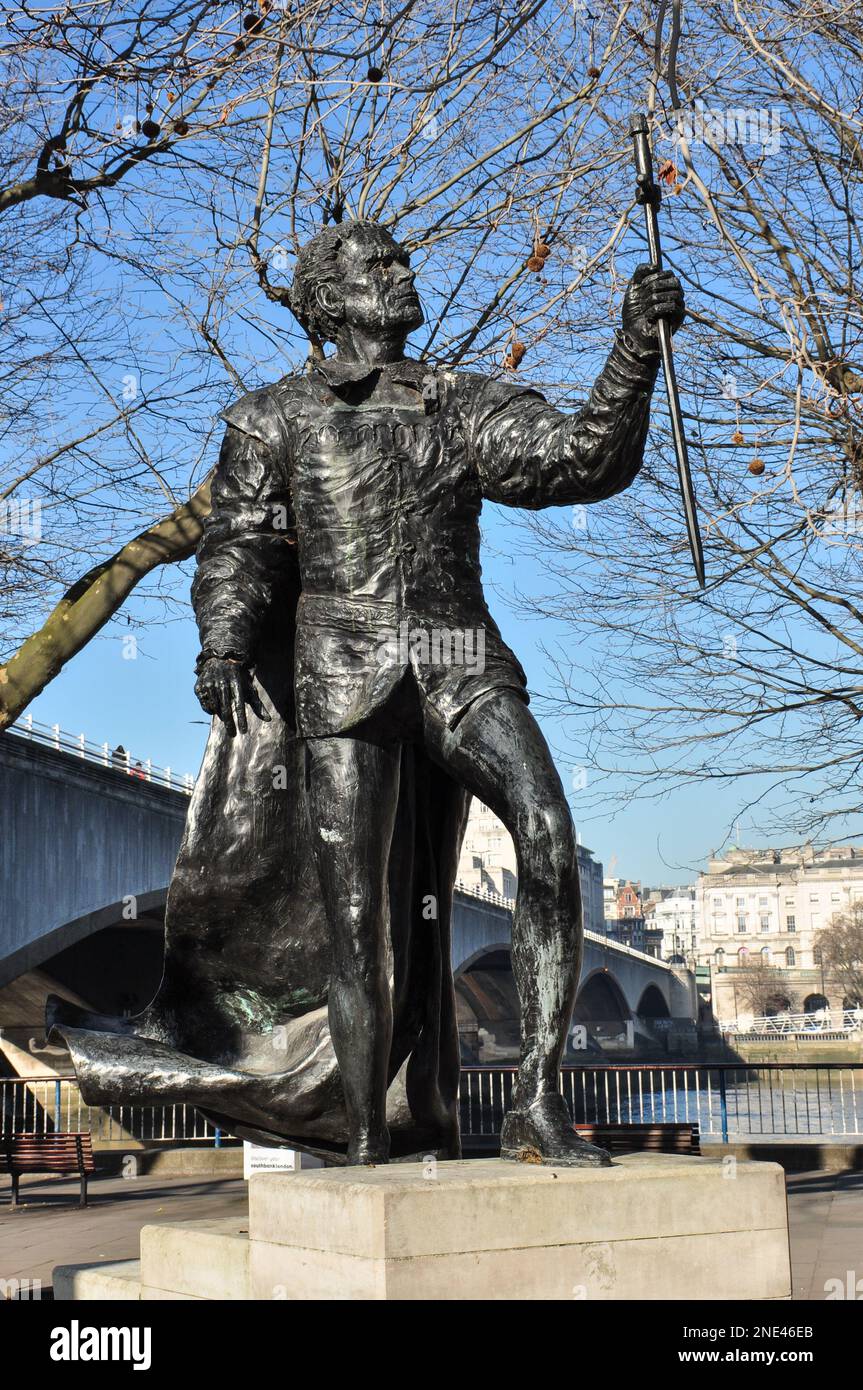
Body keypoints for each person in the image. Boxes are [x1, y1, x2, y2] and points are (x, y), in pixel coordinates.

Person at [193, 220, 684, 1165]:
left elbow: (579, 461)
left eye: (403, 260)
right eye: (380, 267)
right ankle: (366, 1135)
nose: (403, 275)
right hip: (340, 665)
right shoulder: (273, 416)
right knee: (357, 920)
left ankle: (535, 1104)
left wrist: (632, 350)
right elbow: (241, 540)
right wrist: (225, 637)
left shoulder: (457, 399)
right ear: (329, 300)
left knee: (543, 824)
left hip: (458, 649)